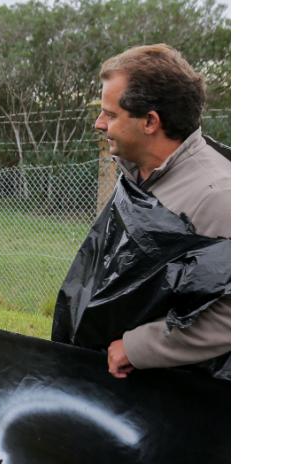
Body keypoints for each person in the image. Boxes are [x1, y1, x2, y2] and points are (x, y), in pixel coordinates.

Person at [90, 44, 230, 379]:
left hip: (190, 392)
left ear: (150, 121)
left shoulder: (217, 197)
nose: (99, 123)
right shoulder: (140, 171)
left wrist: (140, 347)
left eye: (111, 115)